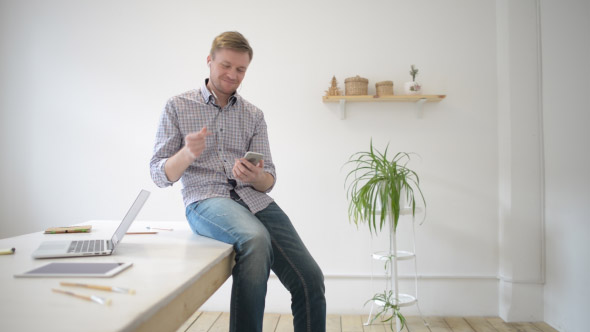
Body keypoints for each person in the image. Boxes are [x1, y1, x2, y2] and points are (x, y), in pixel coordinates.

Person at [150, 31, 326, 332]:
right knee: (254, 239)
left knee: (310, 278)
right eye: (225, 66)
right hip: (206, 200)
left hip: (255, 201)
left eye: (241, 69)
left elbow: (269, 180)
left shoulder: (253, 115)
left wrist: (256, 176)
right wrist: (186, 154)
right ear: (209, 61)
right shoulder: (177, 106)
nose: (232, 74)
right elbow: (158, 174)